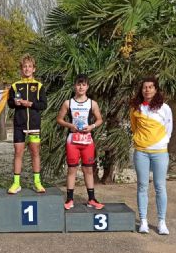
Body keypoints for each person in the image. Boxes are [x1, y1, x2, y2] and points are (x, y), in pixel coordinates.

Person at [130, 77, 173, 235]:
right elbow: (134, 127)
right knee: (142, 186)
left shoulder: (165, 108)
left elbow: (169, 128)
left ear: (156, 90)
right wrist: (141, 141)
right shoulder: (136, 108)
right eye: (144, 87)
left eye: (150, 87)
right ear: (141, 90)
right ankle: (143, 221)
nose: (147, 90)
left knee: (160, 186)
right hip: (141, 152)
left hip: (160, 152)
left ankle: (161, 222)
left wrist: (161, 143)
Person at [56, 74, 104, 210]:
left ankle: (92, 199)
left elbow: (99, 119)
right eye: (78, 84)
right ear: (74, 86)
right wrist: (70, 125)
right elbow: (59, 119)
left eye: (84, 85)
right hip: (73, 140)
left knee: (88, 169)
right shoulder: (68, 103)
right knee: (72, 169)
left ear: (87, 87)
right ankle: (69, 199)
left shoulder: (92, 103)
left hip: (87, 140)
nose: (81, 87)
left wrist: (92, 126)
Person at [7, 54, 47, 193]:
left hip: (34, 125)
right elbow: (10, 103)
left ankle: (37, 182)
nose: (27, 69)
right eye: (25, 66)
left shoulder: (39, 86)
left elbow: (43, 105)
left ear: (34, 69)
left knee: (35, 152)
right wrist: (15, 103)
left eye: (30, 66)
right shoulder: (15, 86)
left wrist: (30, 104)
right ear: (21, 69)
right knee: (18, 152)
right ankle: (16, 183)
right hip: (19, 124)